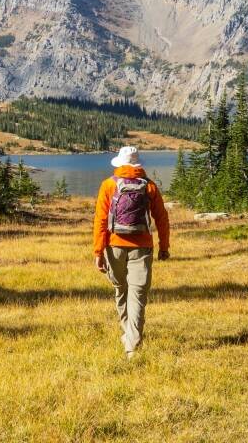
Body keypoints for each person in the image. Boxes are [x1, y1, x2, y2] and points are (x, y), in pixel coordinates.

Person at [92, 145, 170, 358]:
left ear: (119, 163)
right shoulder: (150, 186)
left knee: (120, 289)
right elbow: (161, 218)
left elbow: (100, 221)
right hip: (142, 246)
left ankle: (130, 338)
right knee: (138, 295)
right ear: (138, 164)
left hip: (114, 246)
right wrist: (164, 246)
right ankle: (132, 343)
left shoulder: (108, 185)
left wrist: (98, 252)